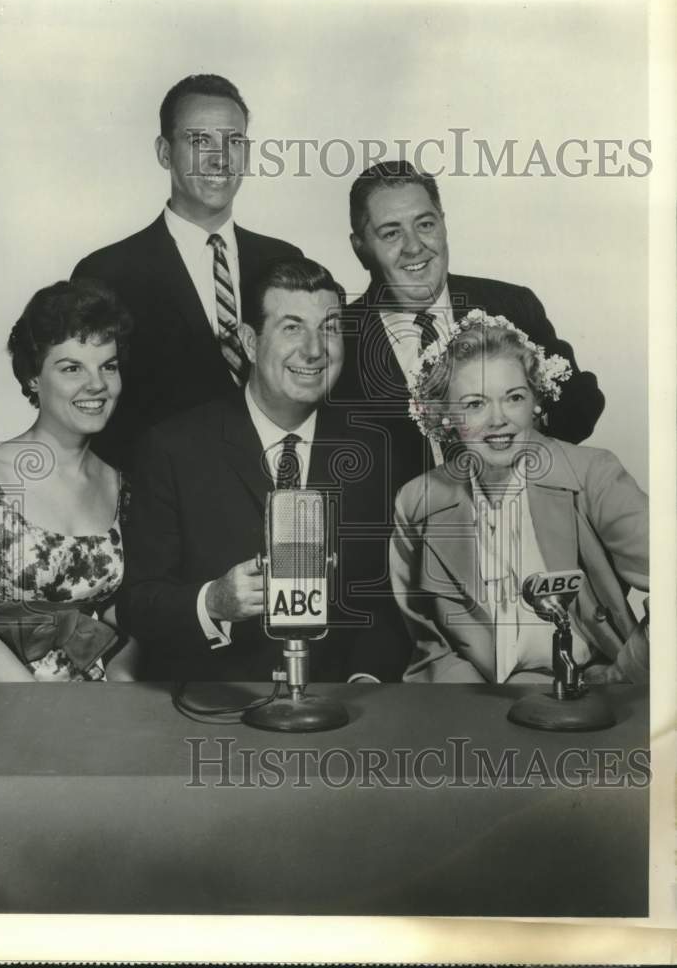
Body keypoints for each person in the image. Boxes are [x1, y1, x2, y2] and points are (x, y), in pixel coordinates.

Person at [119, 256, 410, 682]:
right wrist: (211, 602)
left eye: (329, 328)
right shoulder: (173, 448)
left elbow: (386, 604)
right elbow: (136, 604)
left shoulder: (374, 452)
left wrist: (365, 682)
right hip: (214, 709)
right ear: (250, 343)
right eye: (292, 327)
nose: (314, 350)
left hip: (340, 713)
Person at [390, 310, 648, 684]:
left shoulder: (593, 474)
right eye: (475, 404)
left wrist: (623, 679)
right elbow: (432, 646)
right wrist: (480, 713)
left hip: (595, 701)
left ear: (536, 403)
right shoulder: (418, 501)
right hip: (475, 707)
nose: (498, 419)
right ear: (444, 416)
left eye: (513, 397)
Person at [333, 161, 605, 499]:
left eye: (425, 224)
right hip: (399, 542)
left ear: (444, 224)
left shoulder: (511, 305)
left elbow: (582, 397)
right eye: (391, 233)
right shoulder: (337, 338)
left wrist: (525, 429)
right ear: (360, 247)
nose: (415, 246)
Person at [72, 73, 302, 469]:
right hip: (157, 508)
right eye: (199, 141)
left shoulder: (284, 262)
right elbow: (90, 413)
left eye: (234, 142)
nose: (220, 158)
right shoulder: (106, 274)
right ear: (164, 152)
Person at [0, 280, 136, 682]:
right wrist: (47, 716)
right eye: (71, 367)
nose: (96, 384)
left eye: (108, 366)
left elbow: (124, 615)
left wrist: (122, 686)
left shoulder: (122, 486)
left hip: (94, 703)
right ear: (32, 379)